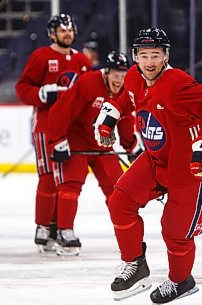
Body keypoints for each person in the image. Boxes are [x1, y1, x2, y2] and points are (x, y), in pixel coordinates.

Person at [94, 28, 202, 303]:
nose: (149, 62)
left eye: (155, 55)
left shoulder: (177, 84)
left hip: (189, 169)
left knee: (175, 232)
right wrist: (112, 113)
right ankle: (135, 263)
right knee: (120, 200)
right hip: (156, 160)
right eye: (143, 55)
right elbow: (128, 98)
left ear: (165, 56)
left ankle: (181, 281)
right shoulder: (134, 76)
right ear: (135, 56)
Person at [47, 51, 142, 255]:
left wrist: (130, 144)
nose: (120, 79)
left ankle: (127, 235)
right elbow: (62, 110)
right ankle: (64, 232)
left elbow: (125, 117)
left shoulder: (126, 88)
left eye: (124, 74)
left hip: (102, 146)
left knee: (118, 191)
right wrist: (58, 140)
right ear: (106, 72)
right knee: (70, 187)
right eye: (116, 74)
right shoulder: (87, 83)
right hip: (76, 143)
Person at [15, 14, 91, 252]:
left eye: (70, 30)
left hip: (72, 131)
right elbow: (23, 87)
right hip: (46, 128)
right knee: (48, 178)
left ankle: (59, 226)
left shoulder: (81, 60)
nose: (67, 33)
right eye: (62, 30)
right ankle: (43, 225)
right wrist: (41, 94)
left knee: (66, 181)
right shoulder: (41, 57)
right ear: (52, 34)